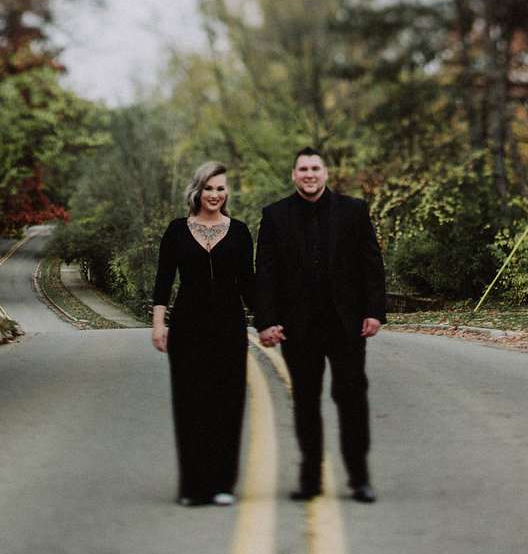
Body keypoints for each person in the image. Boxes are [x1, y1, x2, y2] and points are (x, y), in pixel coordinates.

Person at [255, 148, 386, 503]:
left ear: (325, 173)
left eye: (315, 168)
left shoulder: (353, 211)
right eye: (303, 169)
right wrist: (266, 321)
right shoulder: (274, 215)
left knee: (351, 398)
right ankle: (310, 479)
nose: (309, 174)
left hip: (346, 325)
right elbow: (265, 273)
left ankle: (359, 479)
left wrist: (374, 311)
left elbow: (371, 264)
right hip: (298, 328)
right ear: (294, 175)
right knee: (306, 401)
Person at [151, 161, 255, 506]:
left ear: (227, 192)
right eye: (208, 188)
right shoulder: (177, 231)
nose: (215, 194)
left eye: (220, 188)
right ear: (197, 191)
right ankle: (194, 487)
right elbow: (164, 280)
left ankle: (222, 483)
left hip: (229, 327)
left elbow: (249, 284)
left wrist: (272, 318)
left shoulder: (239, 232)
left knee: (227, 403)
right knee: (190, 403)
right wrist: (159, 323)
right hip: (187, 328)